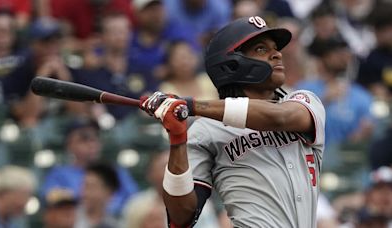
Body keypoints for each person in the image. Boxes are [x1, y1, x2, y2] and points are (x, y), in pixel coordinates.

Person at [140, 16, 326, 227]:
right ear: (231, 64)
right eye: (261, 49)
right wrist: (177, 138)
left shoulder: (303, 101)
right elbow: (181, 218)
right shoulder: (207, 130)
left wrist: (190, 105)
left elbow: (280, 117)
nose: (277, 54)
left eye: (275, 48)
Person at [41, 117, 138, 216]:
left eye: (95, 138)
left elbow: (135, 202)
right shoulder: (59, 175)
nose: (92, 144)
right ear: (69, 145)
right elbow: (53, 202)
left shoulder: (114, 171)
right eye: (84, 139)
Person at [75, 162, 120, 228]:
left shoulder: (115, 224)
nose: (84, 193)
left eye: (91, 187)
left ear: (109, 193)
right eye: (84, 186)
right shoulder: (68, 221)